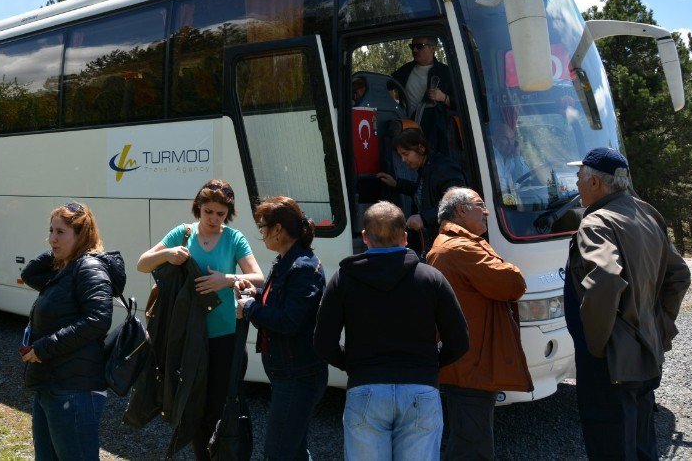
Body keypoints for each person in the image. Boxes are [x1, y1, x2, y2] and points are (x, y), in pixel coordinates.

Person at [314, 201, 469, 461]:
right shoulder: (431, 278)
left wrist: (353, 364)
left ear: (365, 237)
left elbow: (323, 342)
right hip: (421, 387)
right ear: (405, 237)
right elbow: (460, 340)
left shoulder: (344, 279)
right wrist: (429, 363)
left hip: (365, 387)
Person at [565, 147, 691, 460]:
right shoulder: (647, 213)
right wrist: (656, 326)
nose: (577, 183)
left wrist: (598, 344)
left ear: (596, 184)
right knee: (642, 446)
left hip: (609, 363)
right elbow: (679, 276)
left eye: (580, 176)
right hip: (645, 355)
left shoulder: (596, 223)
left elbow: (606, 278)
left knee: (612, 448)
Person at [136, 179, 264, 460]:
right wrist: (168, 254)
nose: (214, 219)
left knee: (221, 409)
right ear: (198, 208)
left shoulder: (234, 238)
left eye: (220, 214)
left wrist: (227, 280)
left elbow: (258, 278)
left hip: (225, 338)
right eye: (209, 212)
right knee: (193, 408)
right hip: (188, 337)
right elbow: (142, 263)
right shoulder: (182, 233)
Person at [426, 188, 532, 460]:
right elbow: (512, 284)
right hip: (472, 363)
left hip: (468, 360)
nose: (486, 211)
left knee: (468, 439)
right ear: (460, 210)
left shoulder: (454, 244)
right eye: (480, 205)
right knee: (472, 446)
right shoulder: (461, 248)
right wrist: (513, 267)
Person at [21, 202, 125, 461]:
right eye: (51, 231)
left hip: (74, 388)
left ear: (81, 235)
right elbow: (30, 273)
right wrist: (61, 251)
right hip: (52, 382)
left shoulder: (89, 267)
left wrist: (44, 347)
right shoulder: (68, 266)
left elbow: (98, 319)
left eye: (60, 233)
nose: (52, 239)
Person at [235, 196, 327, 460]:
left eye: (263, 227)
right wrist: (258, 293)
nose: (261, 233)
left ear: (278, 229)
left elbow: (289, 321)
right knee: (294, 451)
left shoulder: (302, 267)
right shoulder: (288, 260)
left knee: (277, 453)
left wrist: (251, 307)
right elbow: (282, 301)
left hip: (297, 377)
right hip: (289, 373)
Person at [376, 127, 466, 254]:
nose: (403, 160)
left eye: (406, 154)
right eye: (400, 155)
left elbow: (457, 206)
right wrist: (397, 184)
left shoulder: (445, 169)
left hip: (447, 244)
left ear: (421, 148)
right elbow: (424, 192)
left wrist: (424, 218)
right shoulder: (426, 168)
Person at [392, 36, 457, 154]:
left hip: (437, 133)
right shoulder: (406, 70)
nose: (414, 50)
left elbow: (463, 104)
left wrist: (443, 97)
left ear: (433, 48)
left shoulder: (446, 72)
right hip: (408, 130)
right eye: (412, 46)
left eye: (419, 46)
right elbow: (387, 84)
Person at [492, 122, 528, 193]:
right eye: (505, 139)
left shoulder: (514, 158)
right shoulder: (491, 156)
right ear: (496, 139)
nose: (510, 143)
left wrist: (517, 156)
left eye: (512, 139)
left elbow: (522, 178)